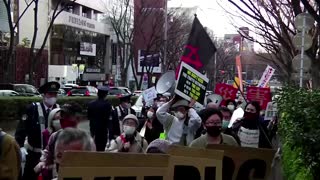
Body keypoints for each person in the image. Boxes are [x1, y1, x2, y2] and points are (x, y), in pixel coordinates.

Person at [15, 81, 60, 180]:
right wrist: (21, 146)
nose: (53, 96)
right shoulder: (32, 109)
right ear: (43, 95)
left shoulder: (59, 110)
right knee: (30, 176)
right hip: (34, 154)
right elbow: (22, 128)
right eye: (50, 94)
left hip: (52, 156)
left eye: (55, 94)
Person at [34, 102, 84, 179]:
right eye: (62, 115)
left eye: (67, 116)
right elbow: (48, 153)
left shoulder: (85, 140)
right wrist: (43, 162)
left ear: (77, 118)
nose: (63, 118)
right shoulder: (55, 136)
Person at [87, 85, 112, 151]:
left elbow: (88, 117)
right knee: (101, 148)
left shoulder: (91, 104)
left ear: (97, 94)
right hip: (103, 130)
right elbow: (108, 118)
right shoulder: (107, 105)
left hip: (93, 129)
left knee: (93, 146)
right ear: (105, 94)